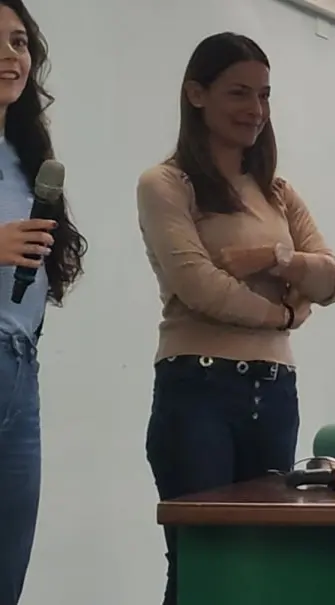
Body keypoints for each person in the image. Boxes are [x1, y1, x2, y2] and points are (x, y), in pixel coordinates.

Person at [136, 32, 335, 605]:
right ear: (196, 94)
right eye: (239, 93)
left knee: (262, 566)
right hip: (197, 390)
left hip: (275, 393)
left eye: (264, 95)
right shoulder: (166, 184)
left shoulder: (277, 192)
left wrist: (279, 259)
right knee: (204, 566)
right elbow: (199, 286)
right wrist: (283, 311)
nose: (255, 110)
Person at [0, 1, 88, 603]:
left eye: (19, 42)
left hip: (19, 369)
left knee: (8, 573)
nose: (12, 57)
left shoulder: (27, 155)